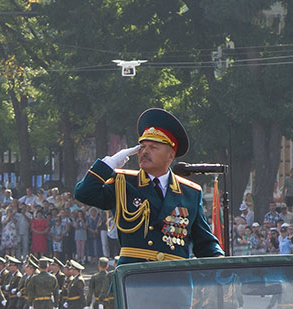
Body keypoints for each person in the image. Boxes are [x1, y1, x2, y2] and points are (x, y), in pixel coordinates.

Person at [73, 108, 223, 265]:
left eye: (153, 147)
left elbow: (204, 243)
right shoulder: (123, 183)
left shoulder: (190, 192)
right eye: (142, 147)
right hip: (134, 279)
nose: (144, 152)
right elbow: (84, 193)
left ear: (170, 155)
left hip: (175, 282)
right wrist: (109, 163)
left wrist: (223, 263)